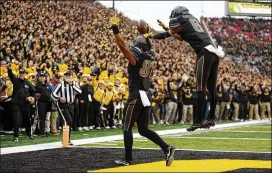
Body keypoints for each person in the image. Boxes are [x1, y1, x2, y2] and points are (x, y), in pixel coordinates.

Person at [110, 16, 175, 166]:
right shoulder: (150, 53)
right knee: (143, 129)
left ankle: (127, 159)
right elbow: (159, 36)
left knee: (126, 126)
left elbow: (122, 47)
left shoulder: (138, 54)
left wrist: (115, 29)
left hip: (137, 93)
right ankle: (167, 148)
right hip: (146, 94)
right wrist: (164, 31)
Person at [151, 6, 225, 131]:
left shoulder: (181, 19)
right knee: (211, 88)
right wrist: (167, 29)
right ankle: (211, 118)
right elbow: (180, 37)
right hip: (214, 53)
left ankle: (198, 121)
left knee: (200, 87)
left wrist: (152, 36)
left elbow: (169, 34)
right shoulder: (192, 19)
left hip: (204, 52)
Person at [51, 70, 82, 145]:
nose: (68, 77)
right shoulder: (60, 84)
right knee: (67, 121)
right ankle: (65, 140)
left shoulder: (75, 83)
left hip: (71, 105)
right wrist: (59, 98)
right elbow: (53, 94)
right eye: (66, 75)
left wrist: (72, 85)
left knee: (69, 122)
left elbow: (79, 92)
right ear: (64, 77)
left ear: (72, 76)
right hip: (62, 105)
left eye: (69, 75)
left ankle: (67, 139)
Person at [7, 66, 36, 141]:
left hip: (25, 104)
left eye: (23, 74)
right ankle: (16, 136)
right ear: (18, 74)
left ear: (25, 74)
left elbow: (33, 91)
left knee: (27, 120)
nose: (21, 75)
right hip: (16, 104)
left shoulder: (28, 83)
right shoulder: (15, 80)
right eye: (20, 74)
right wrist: (9, 69)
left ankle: (29, 134)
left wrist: (33, 98)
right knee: (16, 120)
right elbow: (11, 75)